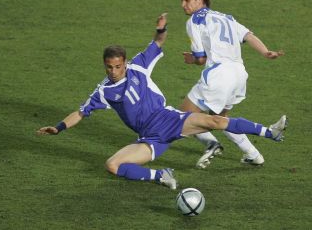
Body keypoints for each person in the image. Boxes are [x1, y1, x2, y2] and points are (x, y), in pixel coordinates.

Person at [37, 13, 287, 190]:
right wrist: (58, 128)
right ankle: (161, 176)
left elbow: (157, 43)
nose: (113, 71)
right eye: (109, 67)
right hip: (150, 138)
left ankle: (270, 132)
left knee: (215, 120)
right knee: (112, 164)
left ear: (124, 62)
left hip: (169, 120)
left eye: (117, 66)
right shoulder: (103, 91)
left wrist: (160, 29)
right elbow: (80, 113)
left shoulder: (138, 66)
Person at [177, 0, 285, 168]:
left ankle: (212, 144)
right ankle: (254, 154)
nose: (183, 5)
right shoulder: (227, 17)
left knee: (183, 116)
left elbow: (201, 58)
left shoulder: (194, 21)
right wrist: (266, 52)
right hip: (239, 74)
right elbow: (248, 36)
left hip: (219, 75)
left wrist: (191, 60)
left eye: (187, 0)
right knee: (223, 119)